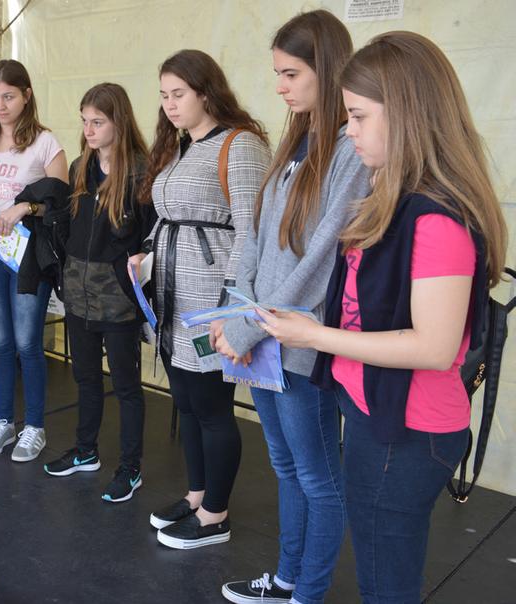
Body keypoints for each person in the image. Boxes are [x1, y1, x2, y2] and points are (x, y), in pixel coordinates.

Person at [260, 31, 508, 604]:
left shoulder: (436, 216)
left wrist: (313, 333)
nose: (348, 130)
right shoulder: (393, 196)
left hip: (409, 432)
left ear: (407, 114)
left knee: (385, 584)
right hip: (380, 417)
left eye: (359, 116)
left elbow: (433, 347)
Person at [215, 10, 370, 604]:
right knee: (286, 469)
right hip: (262, 337)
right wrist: (238, 315)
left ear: (325, 72)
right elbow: (253, 238)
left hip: (298, 344)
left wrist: (251, 326)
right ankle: (285, 579)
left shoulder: (350, 153)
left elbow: (323, 260)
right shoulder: (293, 142)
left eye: (291, 73)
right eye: (277, 73)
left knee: (318, 478)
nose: (279, 85)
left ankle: (307, 591)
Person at [129, 49, 271, 549]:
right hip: (171, 295)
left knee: (211, 406)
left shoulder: (241, 145)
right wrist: (145, 252)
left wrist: (232, 311)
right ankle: (196, 496)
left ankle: (216, 514)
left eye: (179, 94)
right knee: (185, 403)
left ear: (205, 92)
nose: (169, 104)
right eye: (164, 95)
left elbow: (253, 232)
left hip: (210, 298)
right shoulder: (179, 146)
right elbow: (166, 216)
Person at [41, 83, 155, 502]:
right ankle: (85, 451)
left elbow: (150, 236)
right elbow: (70, 226)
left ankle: (131, 467)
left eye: (98, 122)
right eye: (85, 121)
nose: (89, 130)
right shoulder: (78, 168)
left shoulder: (142, 172)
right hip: (78, 292)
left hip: (118, 297)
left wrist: (135, 270)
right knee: (85, 378)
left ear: (117, 122)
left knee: (126, 386)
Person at [0, 59, 68, 462]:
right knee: (1, 340)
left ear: (26, 95)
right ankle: (4, 420)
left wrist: (25, 206)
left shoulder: (45, 142)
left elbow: (59, 202)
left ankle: (35, 427)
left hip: (29, 253)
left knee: (27, 342)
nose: (0, 105)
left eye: (8, 96)